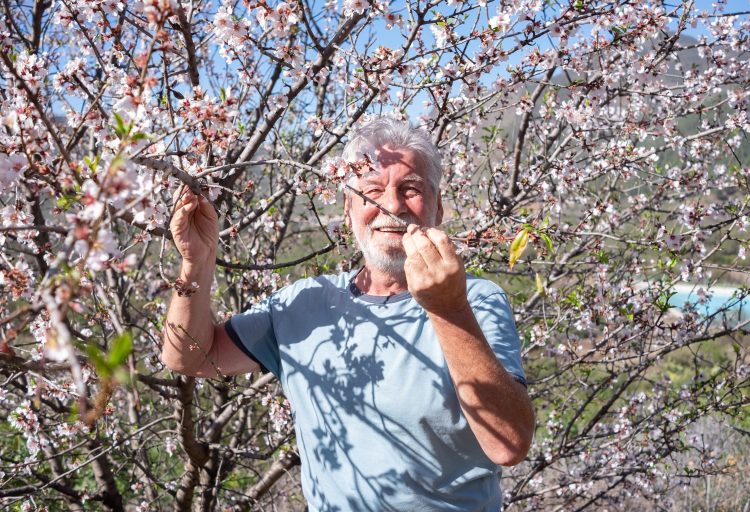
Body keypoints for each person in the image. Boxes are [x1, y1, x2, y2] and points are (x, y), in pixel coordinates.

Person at [162, 117, 535, 511]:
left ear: (438, 208)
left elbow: (508, 444)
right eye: (373, 190)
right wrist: (196, 262)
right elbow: (187, 357)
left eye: (411, 190)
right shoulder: (304, 303)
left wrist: (449, 308)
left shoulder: (474, 300)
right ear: (348, 209)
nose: (391, 205)